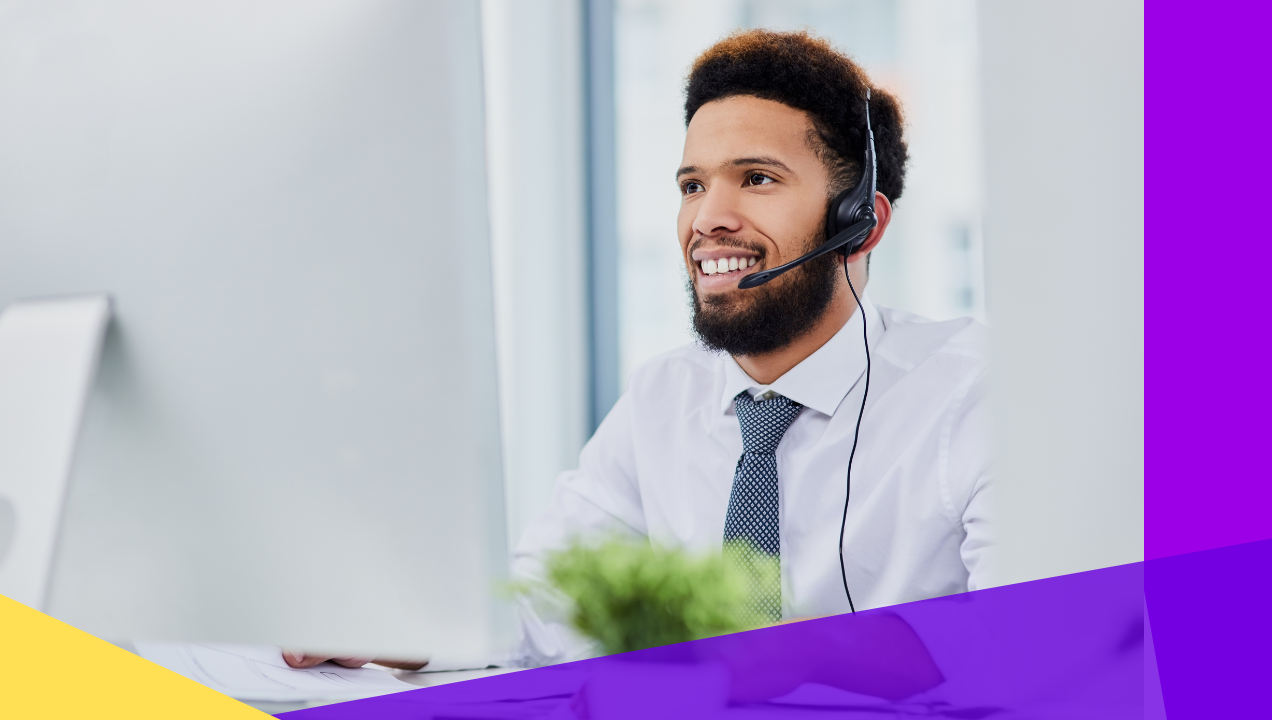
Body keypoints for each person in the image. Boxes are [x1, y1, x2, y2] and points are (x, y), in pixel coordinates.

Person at [287, 29, 992, 695]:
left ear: (859, 225)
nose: (708, 218)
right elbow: (546, 607)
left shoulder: (975, 396)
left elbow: (1039, 651)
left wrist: (801, 652)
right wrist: (399, 629)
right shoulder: (665, 397)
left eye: (757, 179)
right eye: (692, 185)